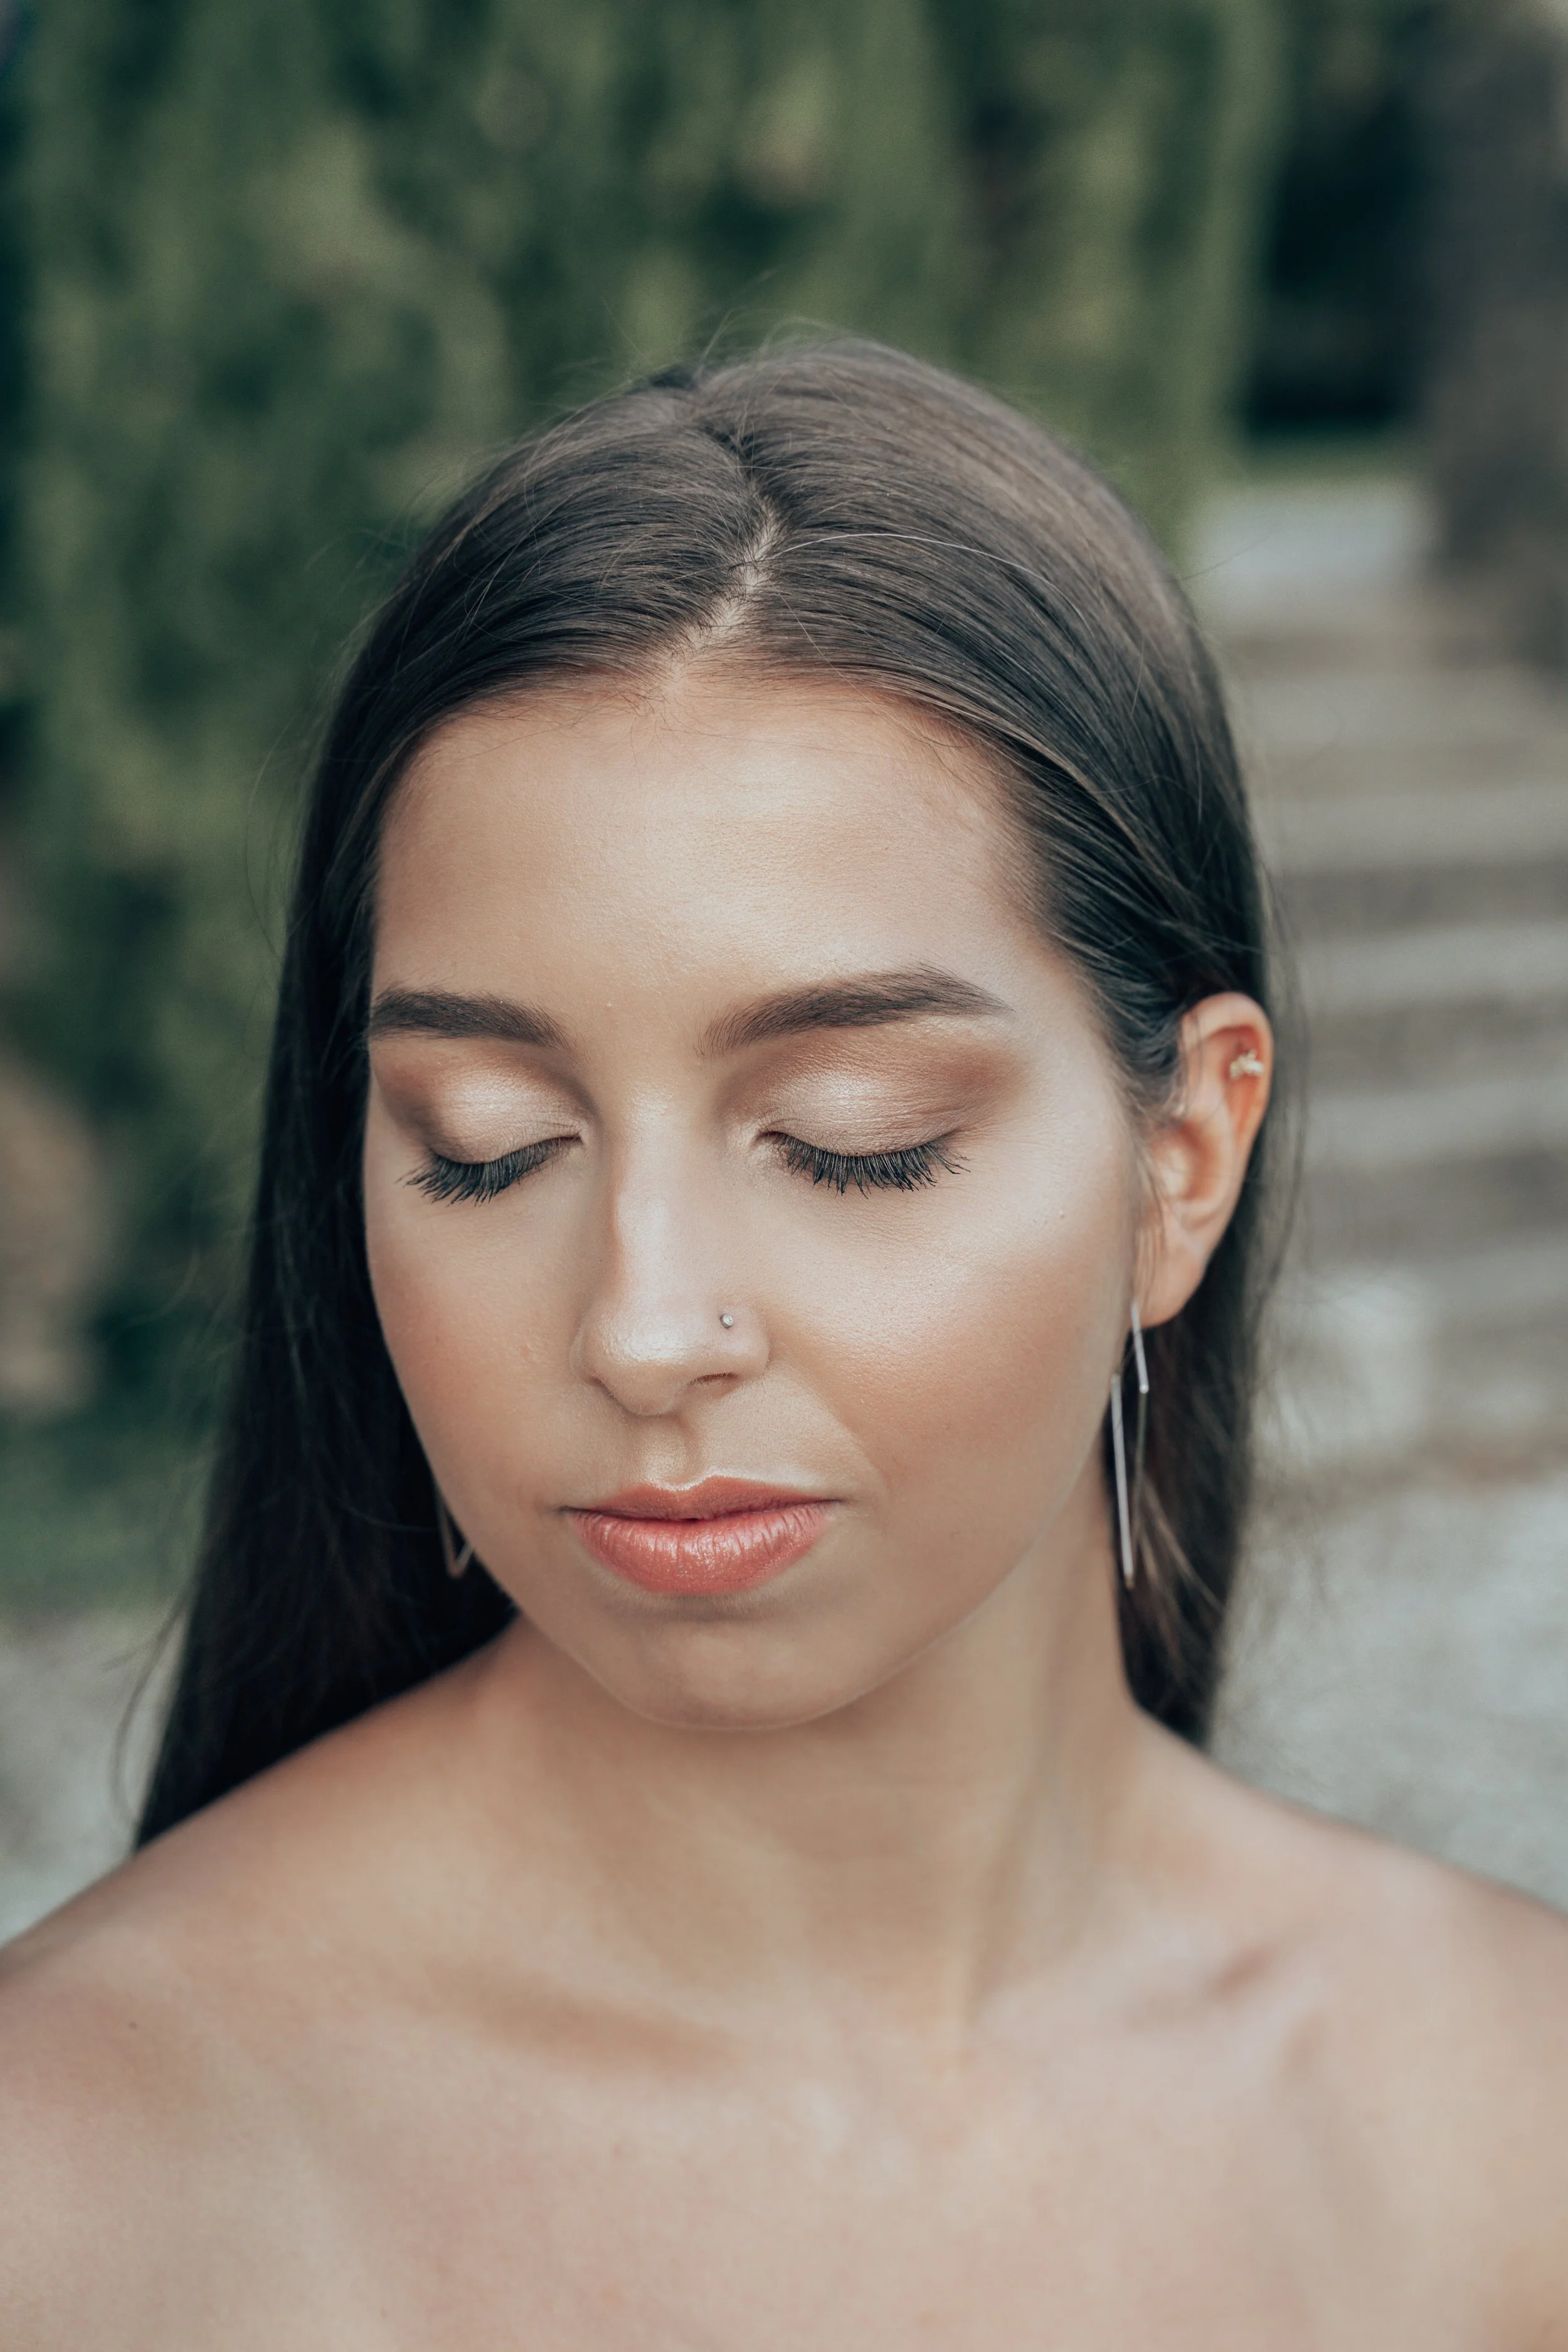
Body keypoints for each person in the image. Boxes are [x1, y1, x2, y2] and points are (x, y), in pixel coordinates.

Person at [2, 341, 1565, 2348]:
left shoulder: (1497, 2123)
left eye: (854, 1144)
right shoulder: (91, 2194)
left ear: (1183, 1159)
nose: (644, 1329)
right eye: (487, 1153)